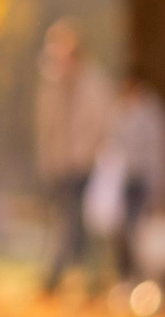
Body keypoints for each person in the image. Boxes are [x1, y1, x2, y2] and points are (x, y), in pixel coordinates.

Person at [35, 22, 112, 296]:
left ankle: (62, 275)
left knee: (77, 222)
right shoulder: (53, 84)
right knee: (68, 221)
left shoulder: (94, 84)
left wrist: (90, 155)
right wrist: (48, 160)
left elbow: (101, 125)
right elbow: (47, 127)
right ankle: (76, 275)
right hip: (60, 164)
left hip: (85, 165)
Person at [94, 74, 165, 284]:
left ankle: (142, 276)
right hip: (121, 181)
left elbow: (159, 153)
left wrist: (160, 186)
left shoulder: (153, 115)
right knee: (120, 230)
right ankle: (125, 275)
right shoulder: (117, 113)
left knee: (139, 231)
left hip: (143, 180)